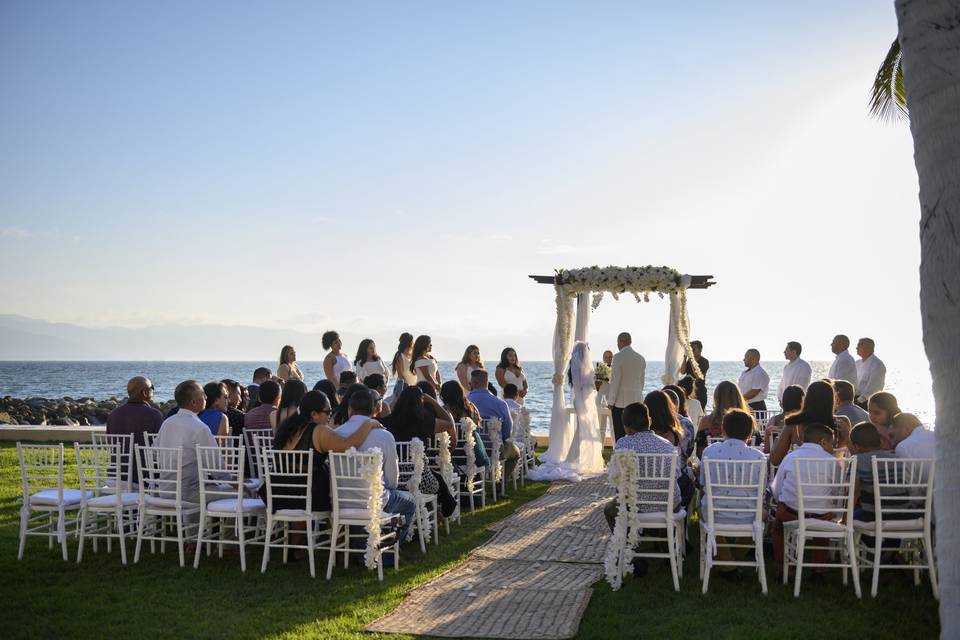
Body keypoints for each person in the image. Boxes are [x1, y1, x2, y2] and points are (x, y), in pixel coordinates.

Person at [266, 391, 382, 515]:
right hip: (306, 499)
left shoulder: (287, 429)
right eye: (327, 412)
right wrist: (368, 424)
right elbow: (348, 445)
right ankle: (336, 530)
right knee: (334, 489)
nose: (330, 416)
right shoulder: (318, 431)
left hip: (277, 495)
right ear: (314, 414)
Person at [603, 402, 681, 577]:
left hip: (635, 506)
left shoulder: (623, 445)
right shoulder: (667, 445)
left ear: (627, 427)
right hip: (667, 505)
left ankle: (632, 554)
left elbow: (616, 479)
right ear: (649, 421)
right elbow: (676, 474)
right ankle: (665, 544)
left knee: (610, 510)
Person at [334, 388, 418, 544]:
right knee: (410, 501)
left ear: (350, 409)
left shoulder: (337, 434)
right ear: (374, 410)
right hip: (376, 501)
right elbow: (392, 479)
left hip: (341, 501)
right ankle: (391, 549)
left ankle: (359, 545)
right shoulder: (384, 436)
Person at [698, 409, 766, 577]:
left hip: (716, 514)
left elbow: (702, 484)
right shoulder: (759, 457)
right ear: (750, 433)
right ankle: (731, 560)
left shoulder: (709, 452)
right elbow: (762, 491)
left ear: (723, 430)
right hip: (748, 516)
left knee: (705, 511)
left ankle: (727, 562)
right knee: (763, 514)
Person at [770, 423, 837, 578]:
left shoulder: (790, 457)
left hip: (791, 515)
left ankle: (783, 567)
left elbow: (777, 489)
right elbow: (837, 492)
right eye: (831, 444)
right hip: (821, 517)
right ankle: (819, 568)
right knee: (823, 526)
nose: (832, 448)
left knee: (778, 528)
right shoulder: (832, 461)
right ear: (823, 442)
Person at [155, 381, 219, 503]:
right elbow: (215, 464)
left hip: (165, 490)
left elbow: (154, 452)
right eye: (203, 395)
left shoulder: (167, 423)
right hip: (190, 493)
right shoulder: (200, 427)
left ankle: (192, 522)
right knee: (244, 495)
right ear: (193, 402)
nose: (206, 397)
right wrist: (234, 482)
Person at [770, 380, 851, 466]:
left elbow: (775, 460)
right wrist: (847, 435)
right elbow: (854, 456)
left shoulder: (794, 424)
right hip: (831, 476)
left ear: (807, 399)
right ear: (832, 400)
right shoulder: (842, 423)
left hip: (799, 477)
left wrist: (777, 440)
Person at [106, 376, 163, 484]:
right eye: (152, 388)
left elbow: (110, 443)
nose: (153, 391)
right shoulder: (154, 415)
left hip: (116, 476)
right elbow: (160, 447)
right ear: (145, 393)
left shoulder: (113, 414)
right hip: (145, 477)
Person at [467, 370, 521, 483]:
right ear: (486, 382)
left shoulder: (465, 402)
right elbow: (508, 430)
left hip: (470, 449)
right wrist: (503, 439)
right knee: (515, 452)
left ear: (474, 383)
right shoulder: (500, 403)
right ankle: (500, 482)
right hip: (495, 449)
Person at [646, 390, 693, 506]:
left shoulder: (642, 436)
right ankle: (685, 519)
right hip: (674, 488)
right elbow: (687, 455)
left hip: (645, 487)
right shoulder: (676, 434)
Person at [848, 421, 900, 522]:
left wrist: (845, 519)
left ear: (857, 446)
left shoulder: (858, 460)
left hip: (874, 517)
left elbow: (854, 492)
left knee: (855, 515)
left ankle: (870, 538)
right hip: (903, 515)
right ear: (880, 441)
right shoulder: (896, 457)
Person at [439, 380, 490, 468]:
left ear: (443, 395)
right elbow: (476, 428)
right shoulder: (470, 408)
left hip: (450, 453)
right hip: (471, 453)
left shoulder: (442, 411)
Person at [383, 385, 456, 445]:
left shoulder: (389, 420)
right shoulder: (423, 421)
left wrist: (394, 402)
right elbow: (449, 423)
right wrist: (432, 401)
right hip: (418, 461)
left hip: (397, 460)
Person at [607, 332, 647, 442]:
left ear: (621, 341)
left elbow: (615, 381)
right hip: (637, 401)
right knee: (637, 434)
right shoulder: (641, 358)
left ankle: (620, 456)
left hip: (621, 402)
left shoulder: (618, 357)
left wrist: (611, 401)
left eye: (617, 342)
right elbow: (641, 382)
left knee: (619, 435)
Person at [696, 381, 751, 455]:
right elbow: (757, 447)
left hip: (712, 465)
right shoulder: (748, 421)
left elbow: (699, 452)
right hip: (746, 464)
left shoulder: (705, 421)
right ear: (739, 397)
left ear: (716, 399)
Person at [763, 385, 805, 453]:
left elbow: (766, 450)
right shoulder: (806, 422)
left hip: (778, 461)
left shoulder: (773, 420)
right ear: (802, 401)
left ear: (784, 401)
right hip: (800, 459)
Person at [855, 338, 886, 408]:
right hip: (855, 400)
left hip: (867, 403)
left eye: (860, 345)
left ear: (869, 347)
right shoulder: (857, 363)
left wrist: (858, 401)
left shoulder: (877, 364)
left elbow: (874, 388)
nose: (856, 348)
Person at [681, 340, 710, 410]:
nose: (692, 351)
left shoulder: (704, 361)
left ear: (700, 350)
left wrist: (691, 360)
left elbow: (698, 376)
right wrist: (685, 358)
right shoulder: (689, 361)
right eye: (690, 349)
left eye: (694, 349)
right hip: (689, 391)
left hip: (700, 392)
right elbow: (682, 371)